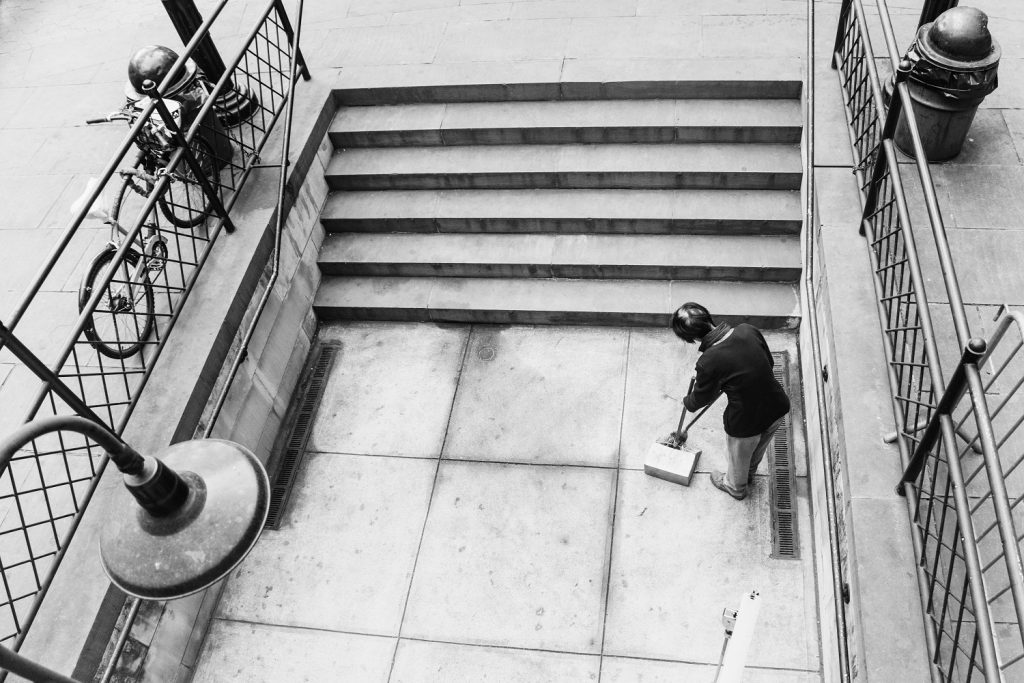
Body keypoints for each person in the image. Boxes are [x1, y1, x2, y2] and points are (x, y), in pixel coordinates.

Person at [667, 302, 790, 500]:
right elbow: (769, 362)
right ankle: (747, 474)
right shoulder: (747, 330)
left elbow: (699, 400)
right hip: (776, 405)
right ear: (708, 318)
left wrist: (687, 401)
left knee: (739, 455)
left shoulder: (708, 361)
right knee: (758, 448)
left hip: (745, 422)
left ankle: (736, 487)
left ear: (692, 339)